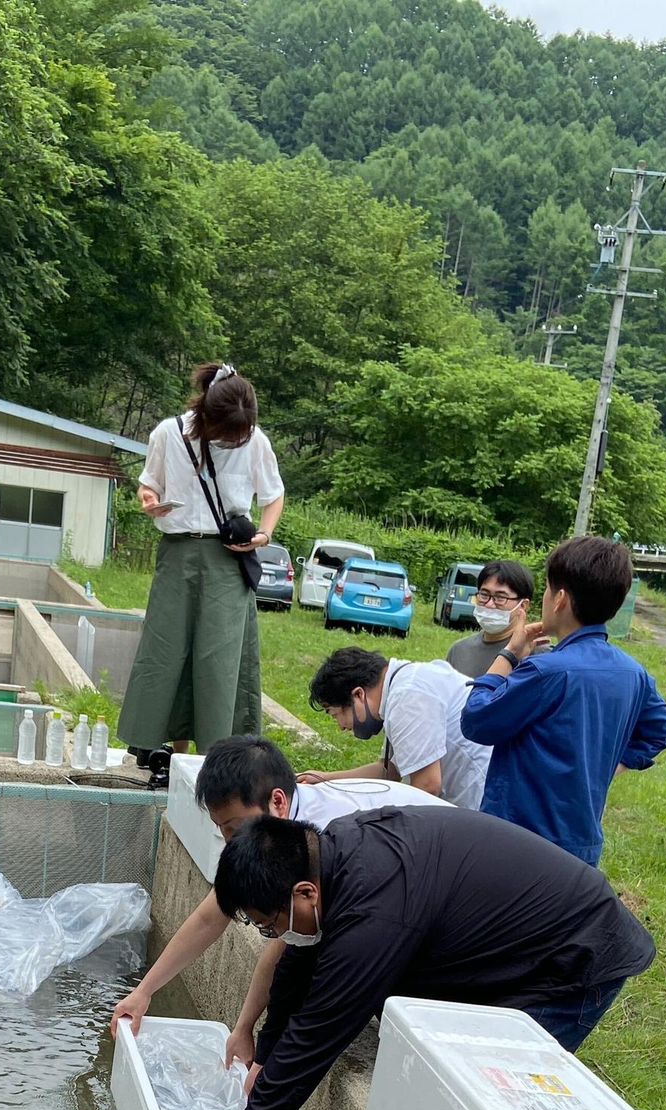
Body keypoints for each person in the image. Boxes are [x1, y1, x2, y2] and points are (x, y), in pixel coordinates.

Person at [192, 808, 656, 1110]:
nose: (273, 935)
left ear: (304, 893)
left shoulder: (375, 913)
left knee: (491, 1106)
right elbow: (300, 960)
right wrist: (267, 1055)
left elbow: (318, 1032)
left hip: (569, 960)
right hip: (514, 938)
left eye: (268, 924)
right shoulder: (331, 857)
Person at [108, 736, 449, 1061]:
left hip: (442, 892)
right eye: (222, 829)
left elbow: (287, 945)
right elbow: (211, 917)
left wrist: (252, 1035)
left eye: (235, 827)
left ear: (278, 802)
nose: (231, 841)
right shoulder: (278, 831)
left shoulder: (317, 839)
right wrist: (144, 992)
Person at [460, 536, 666, 864]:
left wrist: (510, 653)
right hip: (581, 848)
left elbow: (476, 720)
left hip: (518, 844)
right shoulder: (634, 673)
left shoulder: (545, 671)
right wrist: (612, 764)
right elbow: (661, 730)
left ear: (559, 598)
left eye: (547, 589)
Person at [116, 362, 284, 757]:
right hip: (177, 553)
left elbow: (273, 494)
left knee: (218, 659)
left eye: (240, 433)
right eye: (226, 432)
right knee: (167, 651)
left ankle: (217, 757)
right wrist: (149, 500)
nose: (233, 439)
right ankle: (172, 753)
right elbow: (148, 484)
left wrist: (264, 534)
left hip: (227, 559)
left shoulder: (255, 440)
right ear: (206, 415)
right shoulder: (168, 433)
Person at [304, 647, 491, 811]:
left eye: (336, 714)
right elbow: (389, 771)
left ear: (358, 694)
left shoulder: (407, 697)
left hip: (485, 804)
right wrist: (325, 779)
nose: (341, 726)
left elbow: (427, 786)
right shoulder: (400, 685)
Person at [445, 559, 546, 678]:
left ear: (522, 605)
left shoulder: (539, 654)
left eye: (500, 598)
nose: (489, 604)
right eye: (484, 595)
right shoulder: (458, 650)